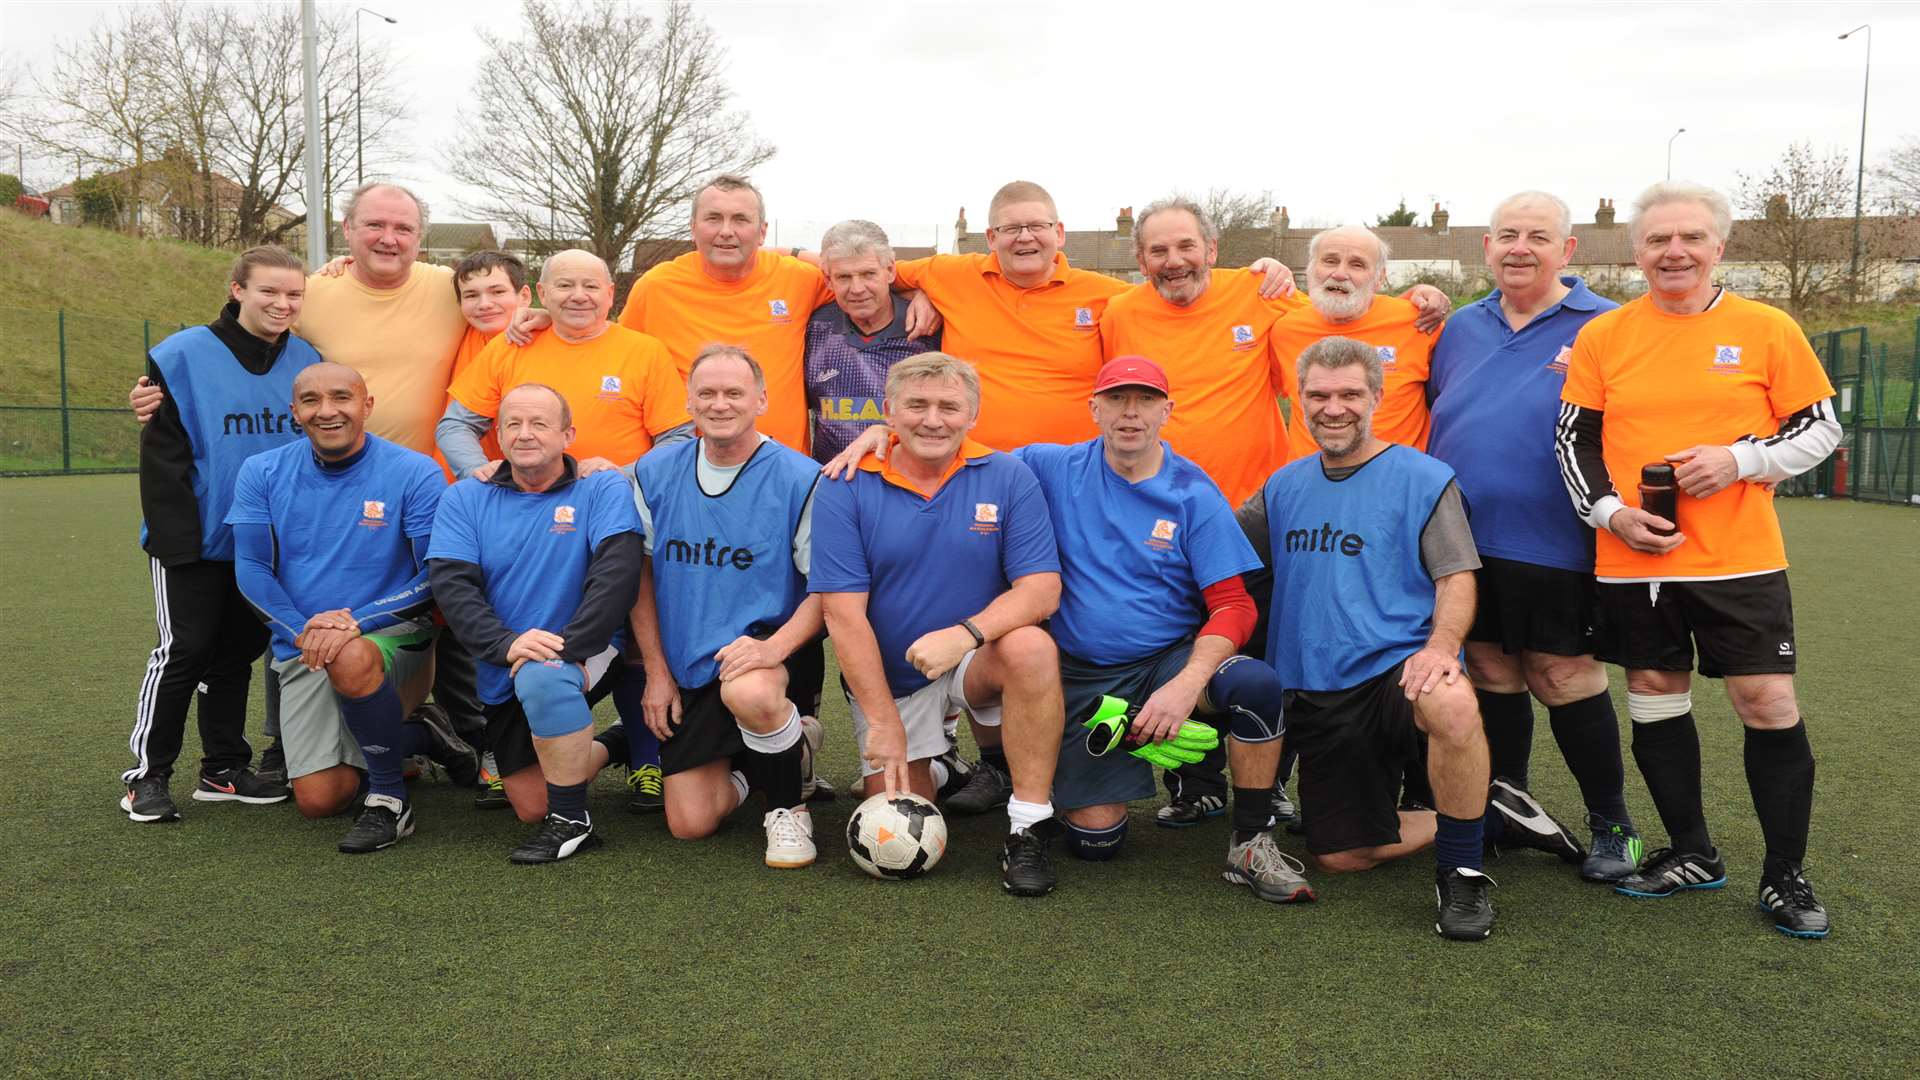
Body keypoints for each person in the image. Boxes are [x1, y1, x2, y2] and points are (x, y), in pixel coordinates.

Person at [1556, 181, 1840, 938]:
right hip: (1634, 560)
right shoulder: (1605, 336)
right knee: (1653, 690)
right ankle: (1692, 853)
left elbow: (1819, 429)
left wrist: (1740, 459)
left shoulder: (1767, 328)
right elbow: (1573, 443)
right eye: (1657, 241)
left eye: (1689, 239)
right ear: (1637, 251)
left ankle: (1784, 876)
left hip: (1738, 562)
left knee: (1767, 705)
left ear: (1720, 246)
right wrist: (1612, 514)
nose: (1673, 252)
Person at [131, 183, 486, 764]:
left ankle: (454, 734)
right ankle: (281, 745)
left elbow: (496, 302)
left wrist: (535, 312)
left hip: (425, 480)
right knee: (293, 601)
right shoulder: (316, 291)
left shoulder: (443, 287)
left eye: (403, 228)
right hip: (318, 487)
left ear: (421, 236)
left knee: (439, 604)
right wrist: (156, 391)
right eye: (374, 225)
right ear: (347, 229)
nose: (388, 238)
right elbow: (237, 335)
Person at [1243, 336, 1583, 941]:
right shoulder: (1283, 486)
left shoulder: (1423, 478)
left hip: (1399, 668)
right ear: (1300, 401)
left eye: (1350, 393)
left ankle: (1463, 872)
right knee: (1341, 856)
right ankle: (1492, 816)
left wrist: (1437, 647)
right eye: (1318, 395)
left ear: (1376, 396)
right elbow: (1217, 550)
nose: (1333, 407)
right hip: (1318, 691)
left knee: (1451, 700)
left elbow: (1456, 576)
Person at [1014, 355, 1311, 902]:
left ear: (1167, 410)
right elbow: (963, 464)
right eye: (1118, 400)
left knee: (1255, 685)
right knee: (1095, 843)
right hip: (1076, 673)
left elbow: (1233, 605)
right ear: (1094, 408)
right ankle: (1094, 744)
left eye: (1146, 400)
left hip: (1163, 662)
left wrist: (1185, 684)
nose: (1131, 413)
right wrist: (882, 439)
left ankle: (1251, 840)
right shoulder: (1049, 466)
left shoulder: (1192, 492)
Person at [1426, 191, 1636, 881]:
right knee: (1487, 668)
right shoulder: (1457, 326)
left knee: (1563, 673)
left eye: (1538, 236)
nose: (1520, 247)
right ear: (1486, 247)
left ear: (1567, 250)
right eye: (1507, 234)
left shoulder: (1611, 325)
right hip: (1460, 540)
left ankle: (1617, 827)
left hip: (1558, 537)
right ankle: (1503, 805)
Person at [809, 353, 1070, 895]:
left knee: (1031, 647)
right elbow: (843, 614)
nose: (933, 419)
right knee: (899, 806)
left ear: (972, 415)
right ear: (888, 412)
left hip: (971, 661)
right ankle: (946, 764)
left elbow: (1041, 589)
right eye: (917, 405)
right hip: (895, 677)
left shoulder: (1007, 475)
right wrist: (883, 721)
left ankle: (1028, 826)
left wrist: (964, 636)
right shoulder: (845, 481)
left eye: (949, 406)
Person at [227, 363, 478, 851]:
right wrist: (301, 631)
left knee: (351, 655)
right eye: (311, 401)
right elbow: (252, 569)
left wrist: (355, 623)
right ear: (294, 412)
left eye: (341, 398)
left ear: (366, 406)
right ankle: (424, 733)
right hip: (308, 646)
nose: (327, 411)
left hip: (393, 636)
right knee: (321, 800)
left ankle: (388, 798)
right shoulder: (262, 471)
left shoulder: (415, 470)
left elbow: (433, 574)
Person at [119, 246, 318, 823]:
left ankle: (223, 769)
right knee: (183, 652)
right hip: (196, 540)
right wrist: (177, 543)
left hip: (266, 545)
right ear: (237, 290)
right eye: (268, 292)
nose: (282, 303)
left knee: (237, 654)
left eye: (293, 294)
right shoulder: (180, 356)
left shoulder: (307, 359)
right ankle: (146, 777)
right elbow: (162, 459)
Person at [427, 383, 644, 863]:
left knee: (545, 681)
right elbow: (453, 586)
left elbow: (618, 573)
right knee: (530, 806)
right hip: (504, 659)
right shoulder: (464, 497)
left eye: (540, 424)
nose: (525, 435)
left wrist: (566, 649)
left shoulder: (601, 486)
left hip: (584, 648)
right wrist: (505, 645)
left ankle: (573, 822)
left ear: (568, 434)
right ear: (498, 437)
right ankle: (615, 742)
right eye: (513, 425)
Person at [629, 345, 826, 868]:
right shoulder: (654, 470)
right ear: (689, 402)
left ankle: (787, 810)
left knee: (753, 690)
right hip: (689, 664)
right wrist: (655, 671)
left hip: (769, 652)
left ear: (761, 399)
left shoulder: (800, 477)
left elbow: (827, 589)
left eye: (734, 393)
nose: (720, 404)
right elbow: (641, 575)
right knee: (690, 824)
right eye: (707, 393)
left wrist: (773, 648)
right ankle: (780, 755)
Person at [1098, 197, 1306, 508]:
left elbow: (1341, 321)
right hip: (1155, 505)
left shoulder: (1261, 291)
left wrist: (1407, 304)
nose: (1174, 261)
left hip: (1254, 506)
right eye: (1158, 251)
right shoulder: (1119, 314)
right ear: (1142, 262)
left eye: (1186, 246)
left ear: (1211, 250)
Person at [437, 249, 691, 480]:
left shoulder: (645, 352)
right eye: (565, 285)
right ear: (542, 294)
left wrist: (624, 475)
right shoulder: (511, 345)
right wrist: (478, 470)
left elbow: (677, 437)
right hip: (528, 504)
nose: (578, 296)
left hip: (616, 503)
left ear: (610, 294)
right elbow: (456, 425)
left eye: (591, 286)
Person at [805, 219, 942, 463]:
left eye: (868, 274)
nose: (857, 288)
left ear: (890, 271)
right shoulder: (813, 328)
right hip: (835, 484)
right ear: (828, 279)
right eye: (844, 277)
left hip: (911, 485)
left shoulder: (930, 328)